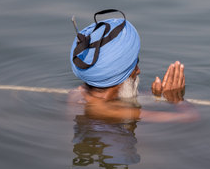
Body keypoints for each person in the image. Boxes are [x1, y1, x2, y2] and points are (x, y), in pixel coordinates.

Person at [67, 9, 198, 123]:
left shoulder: (78, 93)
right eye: (134, 64)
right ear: (119, 74)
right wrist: (177, 99)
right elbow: (189, 117)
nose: (138, 71)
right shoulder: (112, 111)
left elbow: (121, 96)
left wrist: (159, 96)